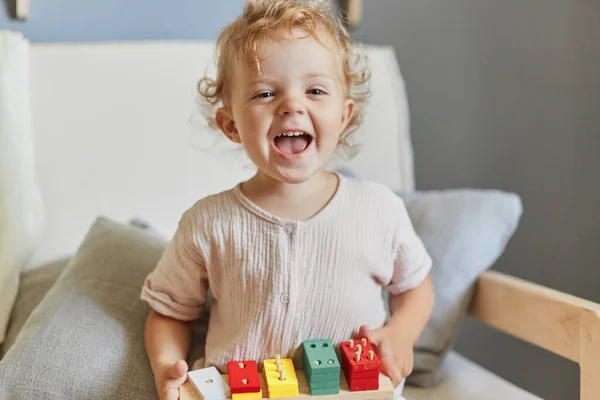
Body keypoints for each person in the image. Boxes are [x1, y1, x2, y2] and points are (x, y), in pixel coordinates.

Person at [140, 1, 434, 399]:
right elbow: (169, 313)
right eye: (264, 93)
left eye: (315, 90)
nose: (292, 105)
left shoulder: (379, 209)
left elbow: (415, 286)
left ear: (344, 114)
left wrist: (401, 333)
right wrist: (164, 368)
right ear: (231, 125)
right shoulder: (207, 222)